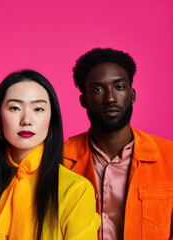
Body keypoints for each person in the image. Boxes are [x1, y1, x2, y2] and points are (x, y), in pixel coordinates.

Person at [63, 48, 173, 239]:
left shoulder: (169, 157)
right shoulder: (59, 160)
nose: (110, 98)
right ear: (84, 100)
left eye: (119, 87)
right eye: (98, 89)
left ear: (132, 94)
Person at [0, 70, 100, 239]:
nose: (26, 120)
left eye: (38, 109)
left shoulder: (76, 190)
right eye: (15, 108)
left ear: (51, 122)